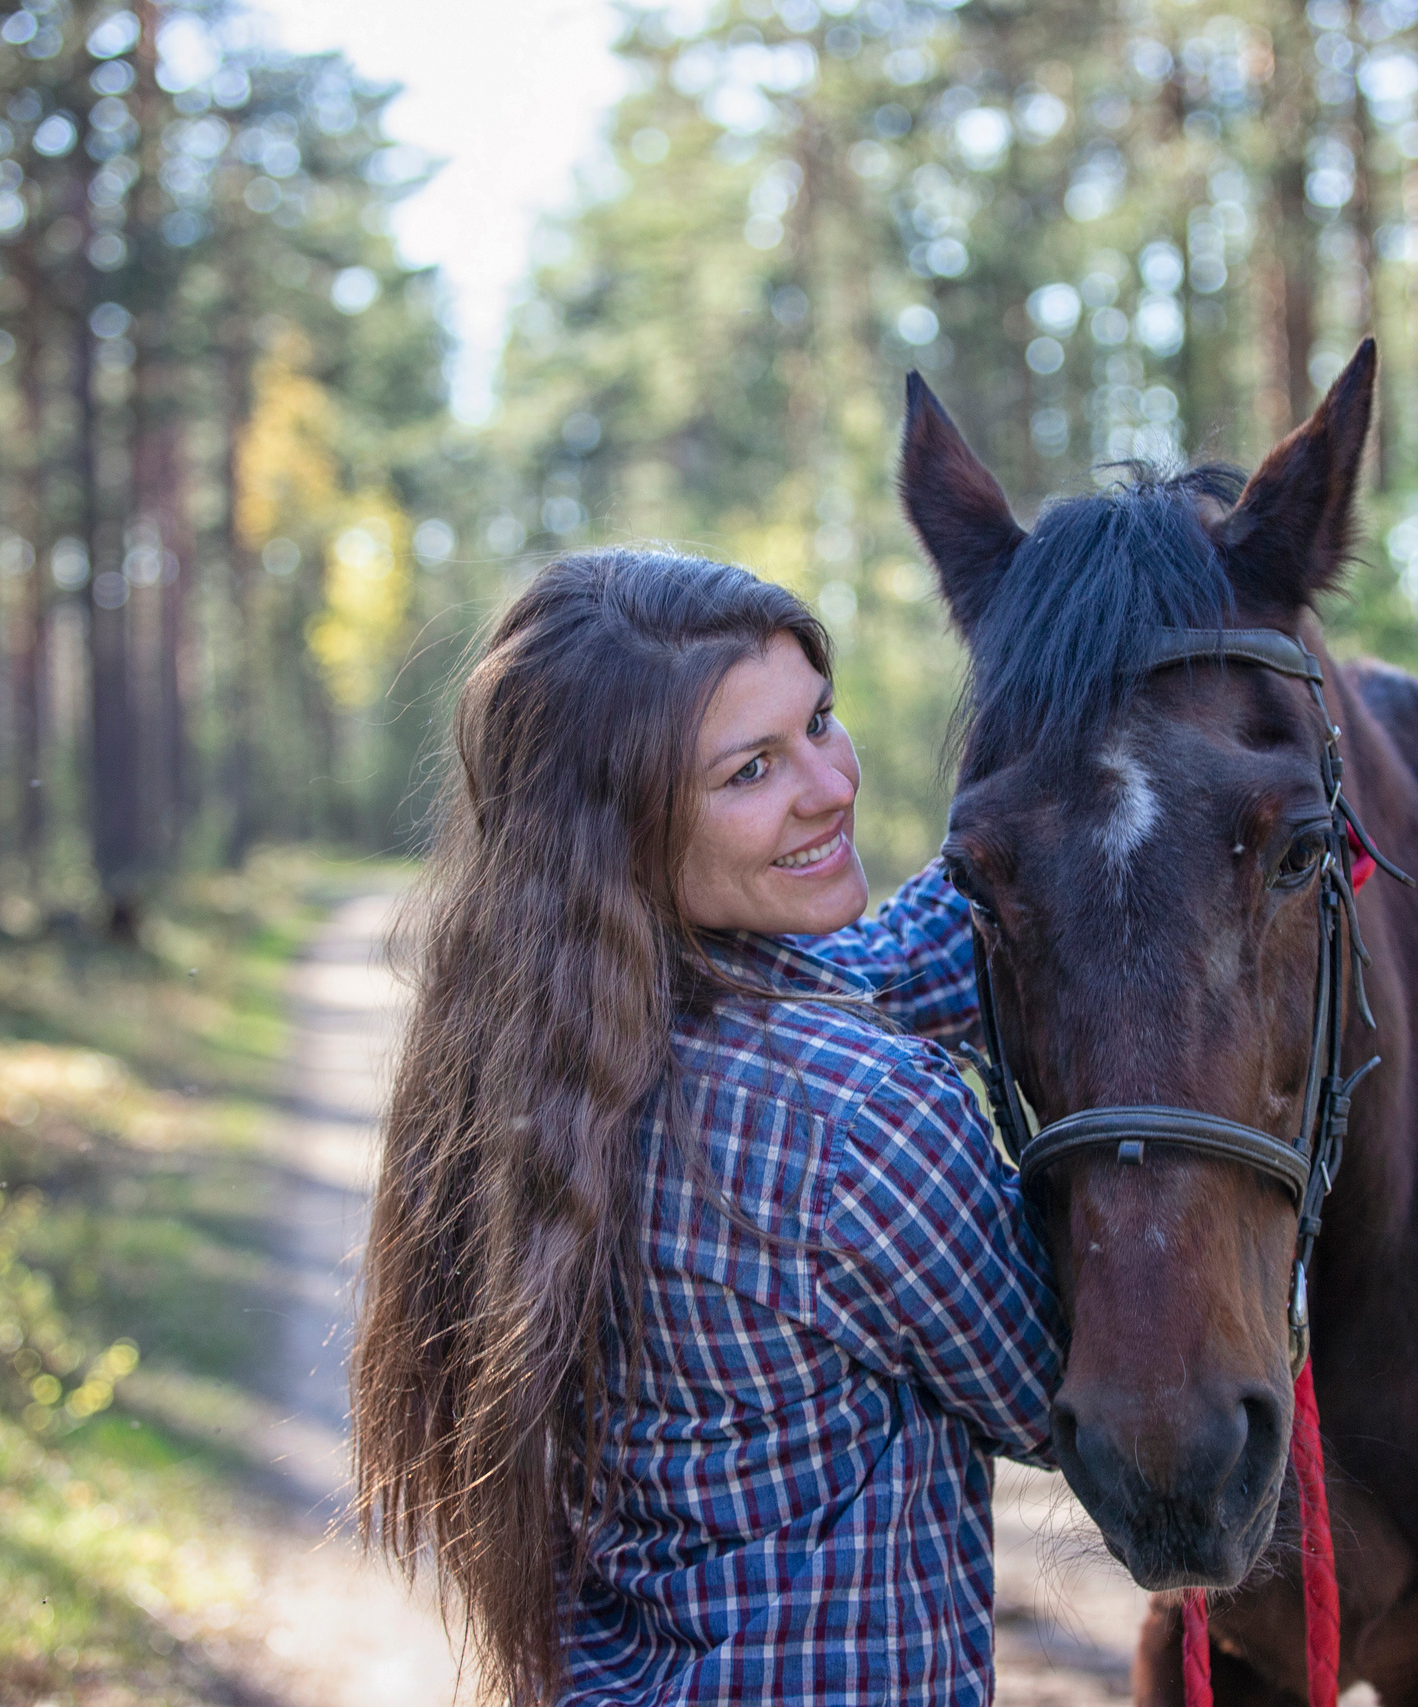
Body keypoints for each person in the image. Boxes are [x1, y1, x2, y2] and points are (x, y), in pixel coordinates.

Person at [352, 549, 1063, 1706]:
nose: (831, 786)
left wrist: (1053, 802)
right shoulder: (865, 1125)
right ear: (622, 832)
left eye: (820, 722)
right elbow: (1058, 1396)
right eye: (751, 771)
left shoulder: (532, 1052)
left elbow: (861, 971)